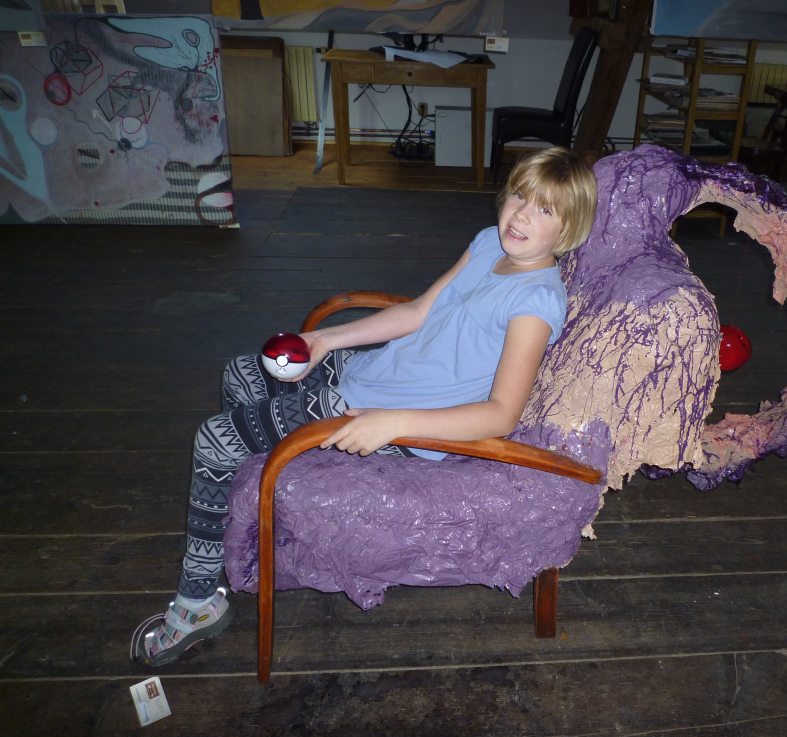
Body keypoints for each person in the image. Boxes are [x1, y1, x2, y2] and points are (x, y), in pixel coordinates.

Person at [131, 146, 598, 666]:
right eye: (519, 196)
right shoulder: (489, 242)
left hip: (391, 416)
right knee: (241, 372)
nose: (522, 216)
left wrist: (393, 423)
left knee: (214, 440)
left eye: (544, 209)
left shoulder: (535, 301)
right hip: (370, 376)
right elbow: (417, 312)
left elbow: (502, 413)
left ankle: (197, 601)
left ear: (568, 230)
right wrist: (326, 340)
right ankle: (252, 507)